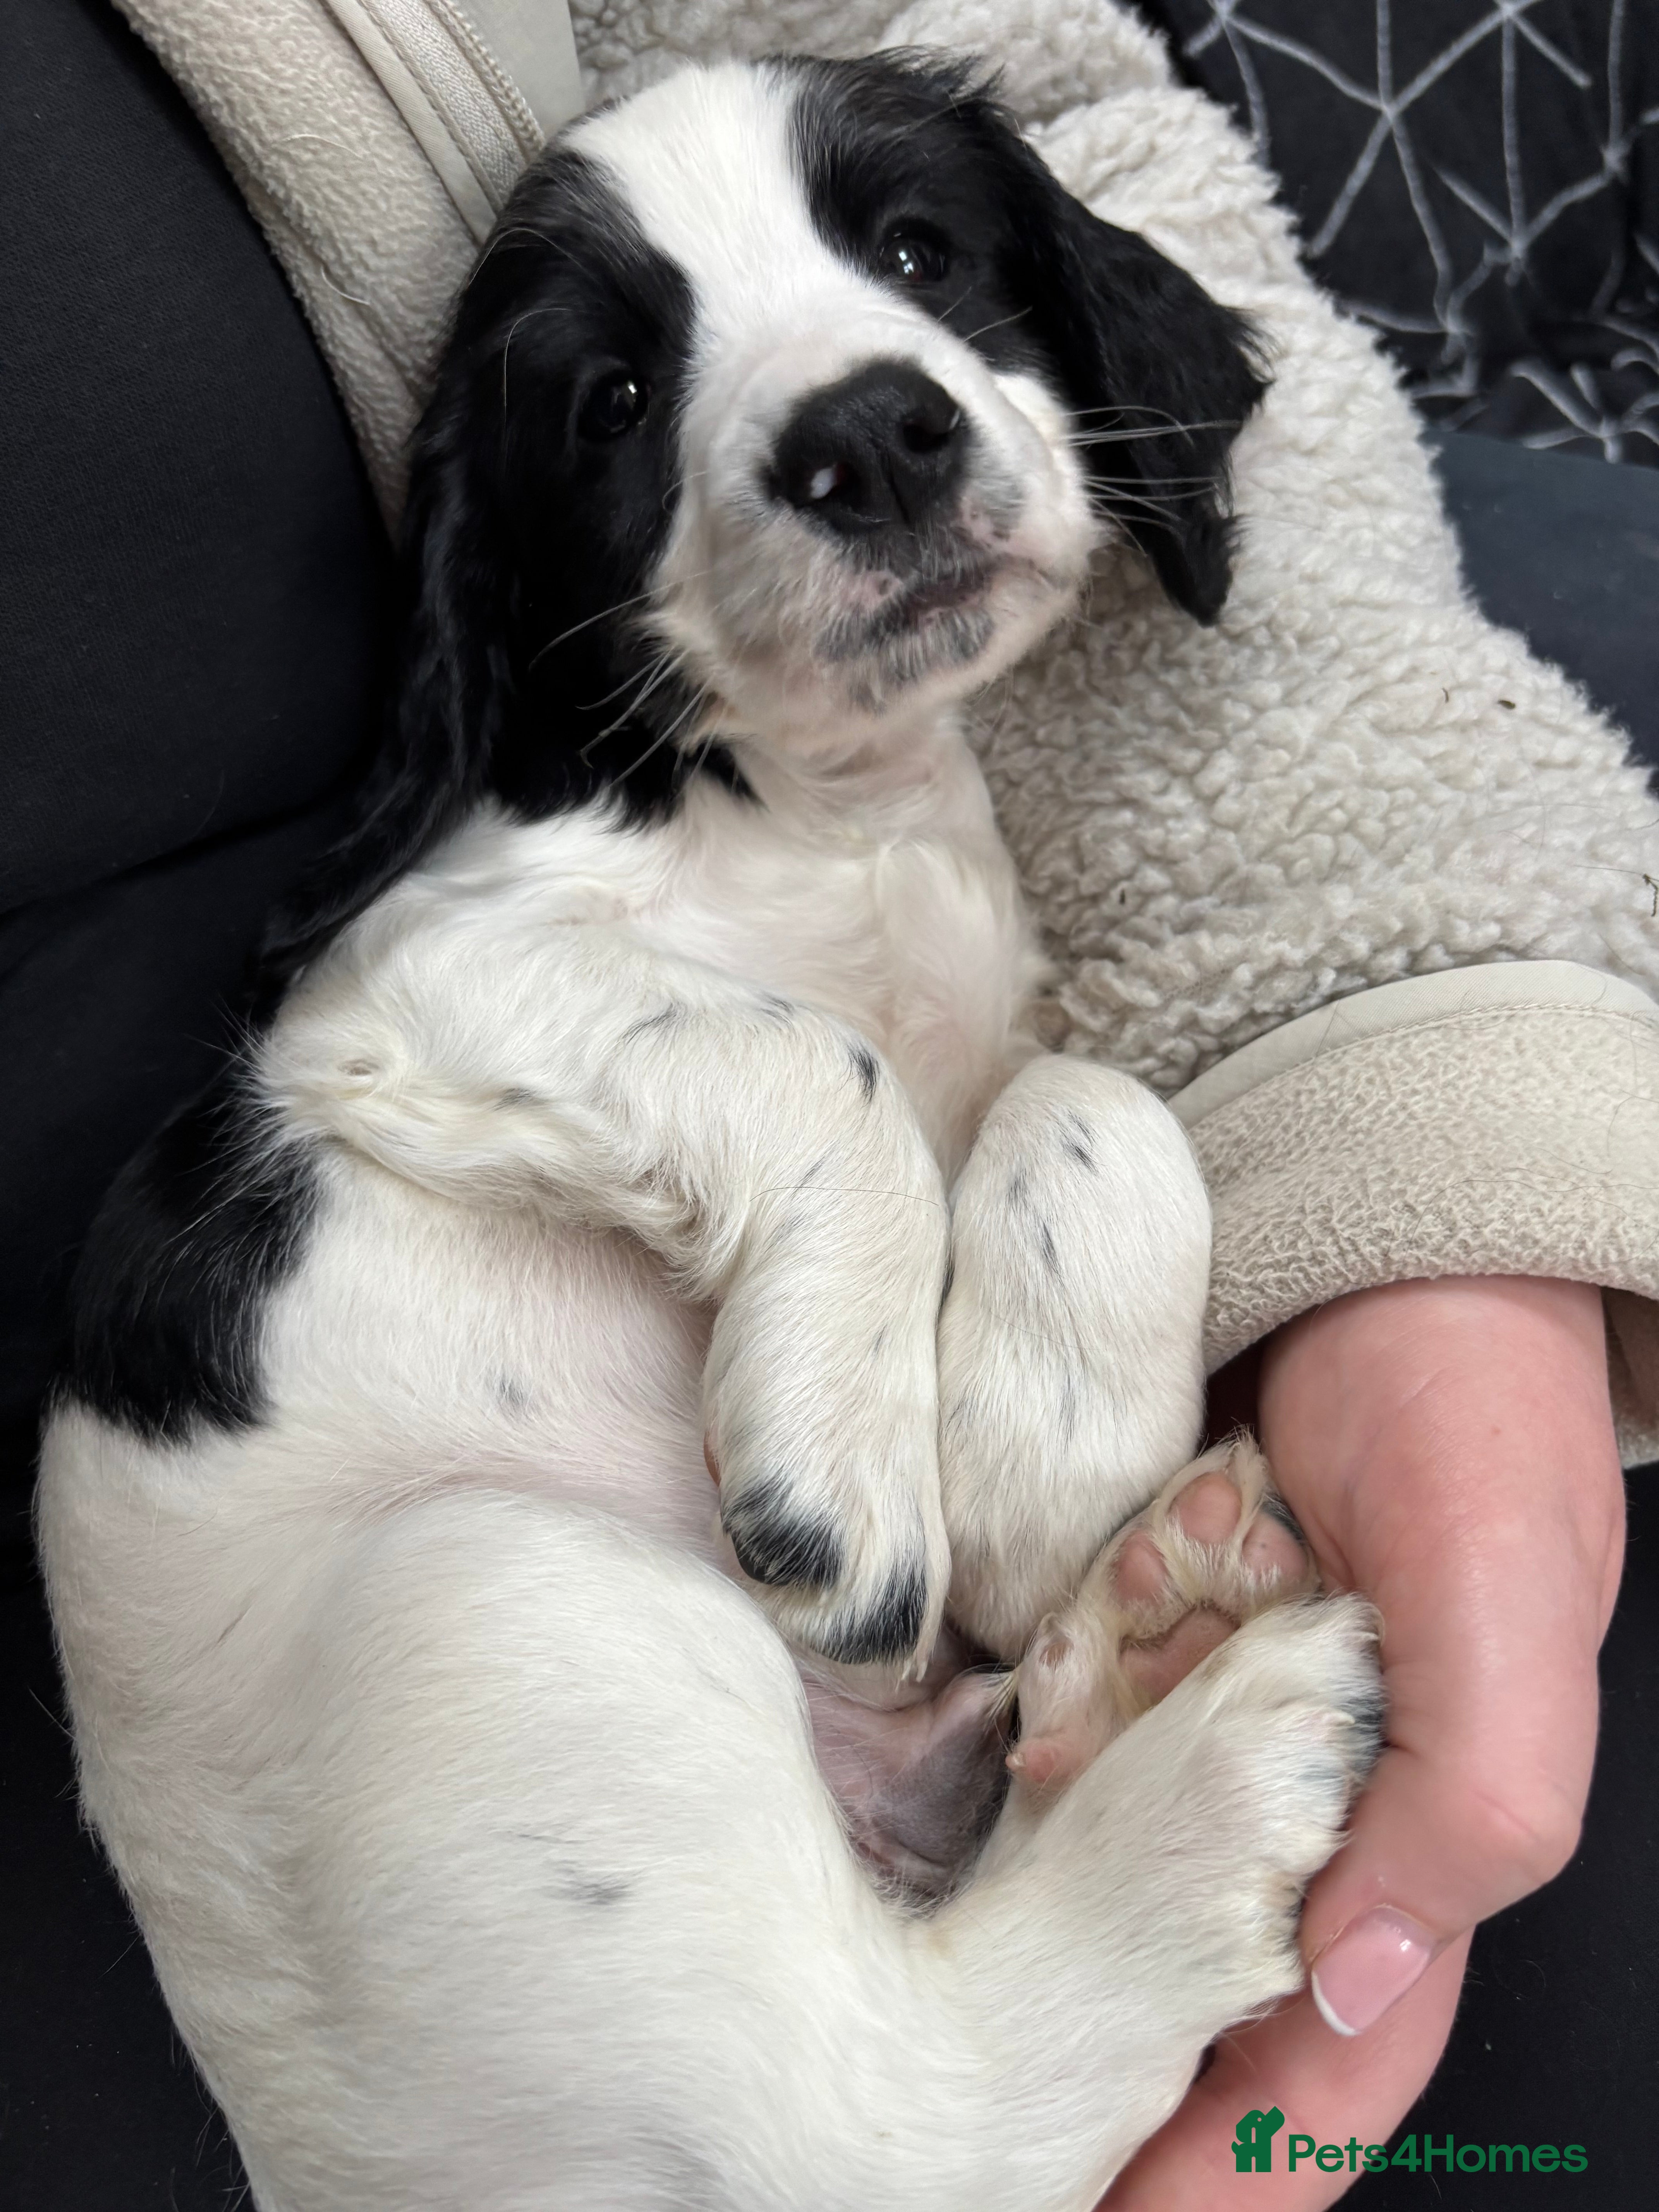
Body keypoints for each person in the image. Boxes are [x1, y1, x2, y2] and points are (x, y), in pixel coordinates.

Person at [3, 4, 1655, 2207]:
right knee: (543, 1631)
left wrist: (1284, 1145)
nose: (849, 416)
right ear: (526, 585)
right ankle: (949, 2104)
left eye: (913, 256)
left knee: (1095, 1142)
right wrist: (827, 1182)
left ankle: (993, 1910)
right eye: (617, 402)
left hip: (826, 1786)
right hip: (428, 1809)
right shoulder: (520, 895)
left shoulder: (923, 896)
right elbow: (400, 1018)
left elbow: (927, 1438)